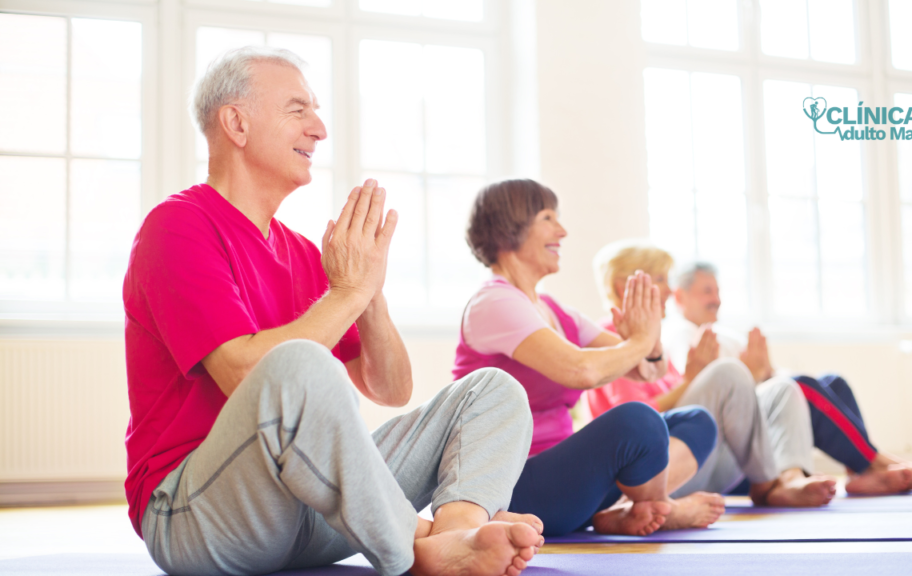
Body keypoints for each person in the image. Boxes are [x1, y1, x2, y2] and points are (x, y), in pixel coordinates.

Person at [122, 47, 543, 576]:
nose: (319, 129)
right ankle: (412, 551)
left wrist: (368, 289)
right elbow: (246, 373)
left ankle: (455, 535)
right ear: (236, 122)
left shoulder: (304, 253)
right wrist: (346, 292)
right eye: (298, 110)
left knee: (492, 391)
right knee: (299, 364)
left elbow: (390, 388)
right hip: (196, 516)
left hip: (304, 512)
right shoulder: (178, 227)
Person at [452, 179, 724, 538]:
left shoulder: (553, 310)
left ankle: (624, 509)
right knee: (638, 422)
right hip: (511, 489)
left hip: (568, 483)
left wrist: (648, 336)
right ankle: (660, 506)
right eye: (548, 218)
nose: (562, 231)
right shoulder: (494, 303)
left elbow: (647, 369)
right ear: (509, 228)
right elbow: (580, 370)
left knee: (697, 422)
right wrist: (640, 340)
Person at [665, 261, 912, 494]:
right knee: (802, 386)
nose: (716, 299)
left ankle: (859, 471)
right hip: (734, 449)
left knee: (833, 383)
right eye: (707, 291)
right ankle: (876, 462)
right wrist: (762, 378)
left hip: (755, 414)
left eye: (717, 291)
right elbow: (715, 392)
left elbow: (766, 379)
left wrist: (767, 373)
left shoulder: (724, 335)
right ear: (680, 296)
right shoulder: (679, 335)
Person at [586, 240, 836, 506]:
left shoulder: (653, 342)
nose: (670, 291)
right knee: (728, 373)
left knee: (781, 389)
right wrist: (694, 380)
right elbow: (635, 422)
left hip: (699, 460)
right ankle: (768, 484)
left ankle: (789, 477)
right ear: (624, 287)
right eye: (659, 279)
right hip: (654, 472)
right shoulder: (610, 338)